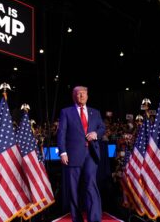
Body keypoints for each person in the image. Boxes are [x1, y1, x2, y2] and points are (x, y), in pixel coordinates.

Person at [57, 86, 106, 222]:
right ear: (74, 96)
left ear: (87, 96)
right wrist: (62, 152)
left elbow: (102, 128)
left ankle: (94, 219)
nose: (81, 96)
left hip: (91, 154)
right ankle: (77, 219)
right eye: (78, 94)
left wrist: (96, 134)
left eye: (84, 94)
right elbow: (61, 133)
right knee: (74, 190)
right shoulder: (66, 112)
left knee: (91, 186)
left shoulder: (95, 112)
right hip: (72, 155)